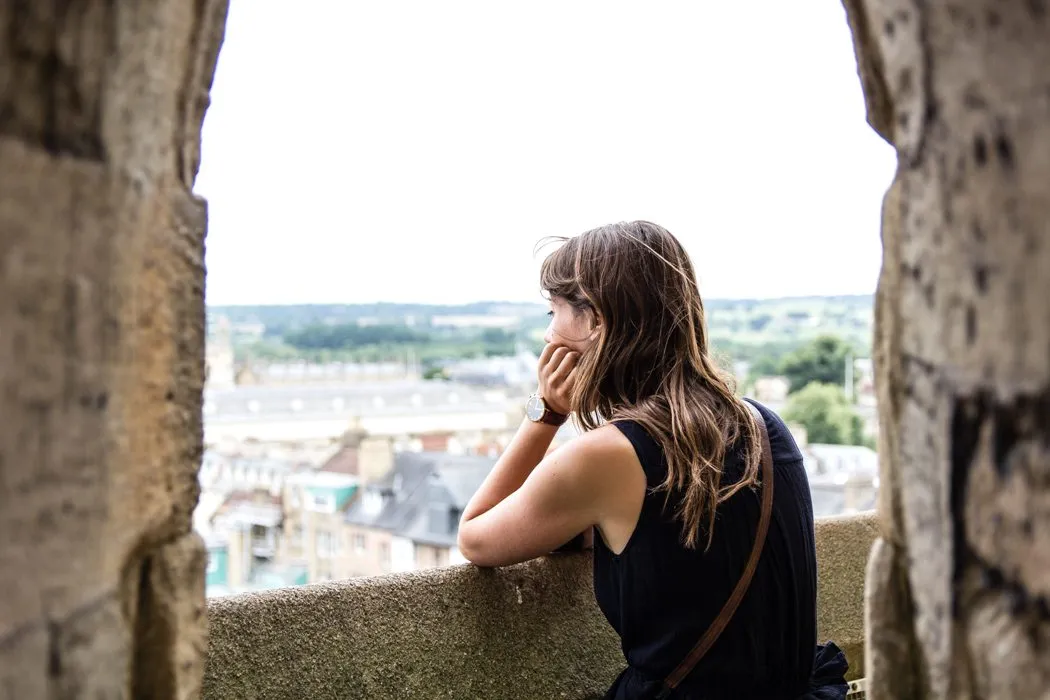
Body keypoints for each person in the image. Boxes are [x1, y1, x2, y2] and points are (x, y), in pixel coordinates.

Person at [457, 221, 849, 699]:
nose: (547, 335)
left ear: (596, 319)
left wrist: (546, 414)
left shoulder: (608, 455)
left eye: (554, 311)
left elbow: (475, 538)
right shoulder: (763, 425)